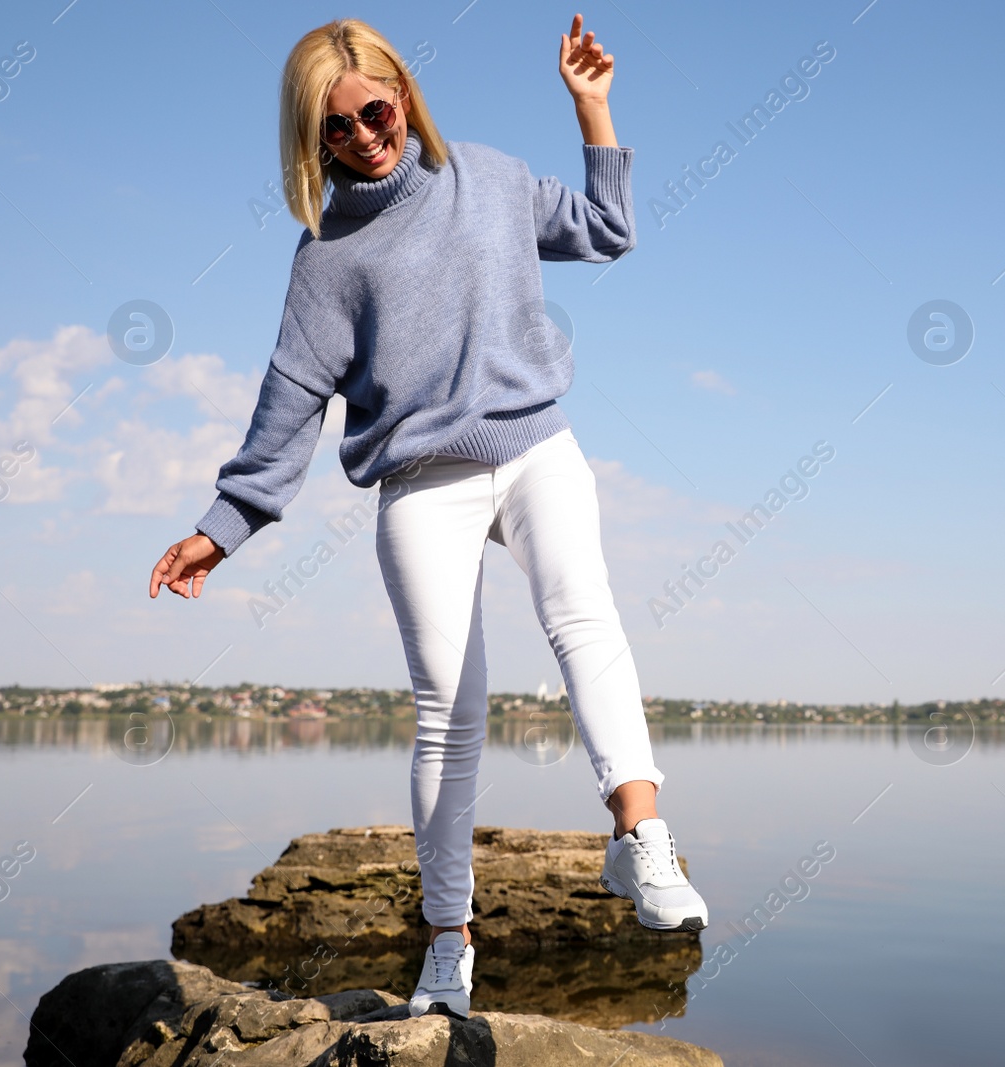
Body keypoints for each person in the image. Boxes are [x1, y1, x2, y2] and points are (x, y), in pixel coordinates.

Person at [147, 14, 707, 1020]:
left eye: (375, 109)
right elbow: (289, 399)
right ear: (310, 144)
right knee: (451, 712)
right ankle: (448, 942)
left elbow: (608, 230)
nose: (364, 135)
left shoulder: (486, 178)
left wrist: (591, 107)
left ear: (404, 95)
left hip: (533, 442)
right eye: (336, 130)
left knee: (584, 617)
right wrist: (225, 524)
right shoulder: (326, 255)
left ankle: (642, 838)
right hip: (417, 482)